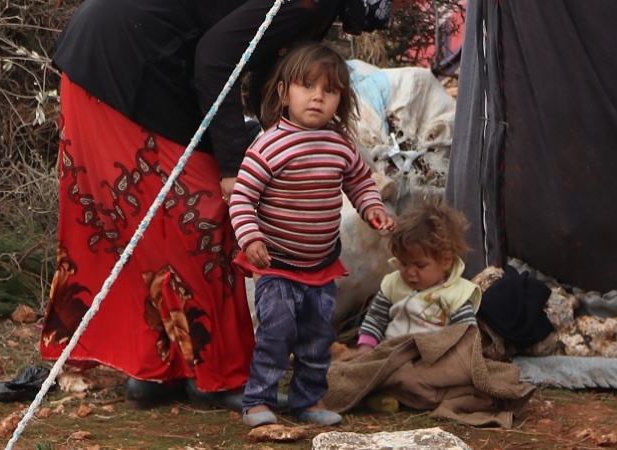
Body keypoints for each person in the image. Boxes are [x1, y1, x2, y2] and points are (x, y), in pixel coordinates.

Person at [42, 0, 389, 410]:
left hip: (99, 54)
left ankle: (158, 369)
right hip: (131, 57)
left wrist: (280, 146)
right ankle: (219, 375)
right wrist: (229, 166)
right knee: (206, 216)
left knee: (151, 223)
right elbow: (215, 59)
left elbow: (264, 65)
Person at [227, 42, 394, 427]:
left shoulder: (340, 145)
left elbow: (360, 182)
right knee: (275, 334)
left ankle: (308, 400)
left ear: (341, 98)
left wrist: (372, 208)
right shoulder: (269, 146)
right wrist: (251, 239)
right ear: (284, 92)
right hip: (278, 265)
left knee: (317, 338)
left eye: (329, 91)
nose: (317, 98)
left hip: (321, 264)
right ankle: (258, 401)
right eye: (307, 87)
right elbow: (242, 199)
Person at [355, 199, 478, 353]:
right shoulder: (393, 284)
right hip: (392, 353)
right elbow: (375, 319)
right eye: (404, 264)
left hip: (433, 357)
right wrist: (365, 348)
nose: (410, 272)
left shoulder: (456, 293)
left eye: (420, 266)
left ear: (446, 261)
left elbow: (467, 335)